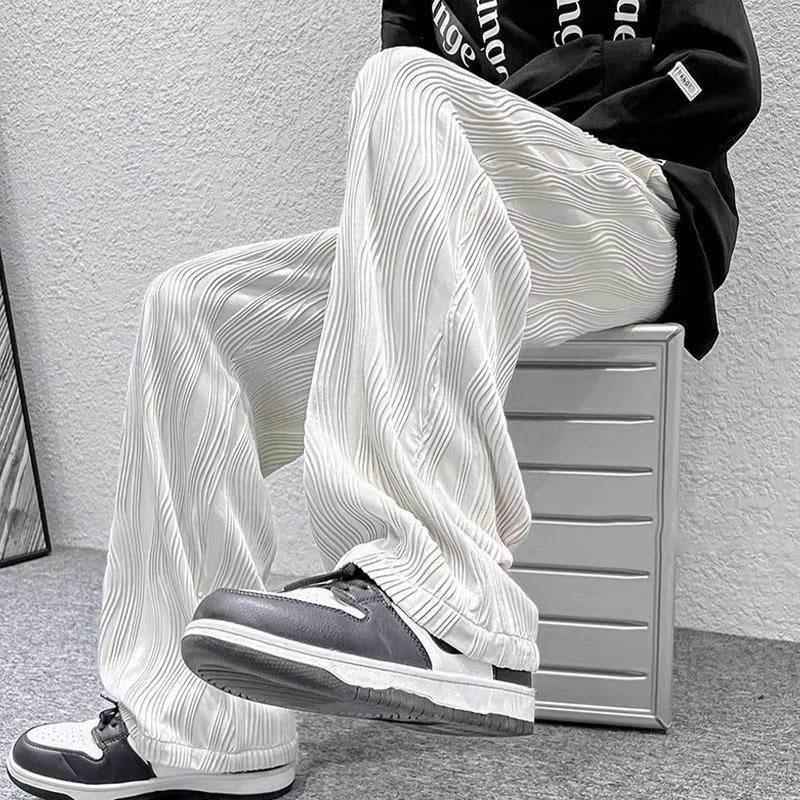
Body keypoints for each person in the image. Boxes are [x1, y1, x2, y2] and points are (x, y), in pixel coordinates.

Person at [7, 1, 760, 798]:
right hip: (484, 208)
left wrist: (542, 115)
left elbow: (721, 79)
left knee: (405, 83)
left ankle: (437, 599)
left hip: (637, 205)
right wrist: (592, 70)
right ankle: (199, 727)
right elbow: (413, 161)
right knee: (197, 306)